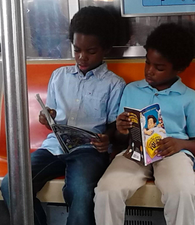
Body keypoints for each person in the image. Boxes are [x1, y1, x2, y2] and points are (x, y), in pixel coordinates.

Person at [1, 6, 125, 225]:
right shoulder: (59, 76)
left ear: (105, 49)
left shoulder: (114, 84)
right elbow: (52, 118)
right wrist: (46, 118)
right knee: (12, 183)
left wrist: (107, 138)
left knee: (81, 191)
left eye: (91, 51)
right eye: (77, 50)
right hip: (54, 146)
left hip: (89, 151)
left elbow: (114, 125)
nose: (82, 57)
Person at [94, 23, 195, 225]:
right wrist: (120, 129)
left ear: (179, 68)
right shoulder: (132, 90)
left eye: (159, 67)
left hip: (172, 154)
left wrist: (180, 144)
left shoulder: (189, 98)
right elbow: (121, 138)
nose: (150, 71)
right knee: (106, 190)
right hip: (135, 152)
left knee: (183, 191)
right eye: (147, 63)